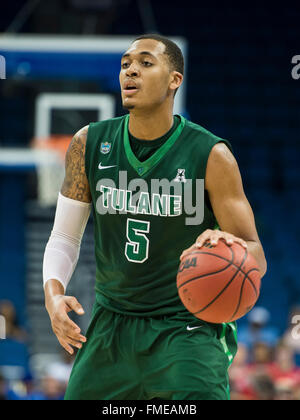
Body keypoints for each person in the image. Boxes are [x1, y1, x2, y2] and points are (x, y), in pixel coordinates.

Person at [43, 34, 267, 400]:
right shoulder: (89, 142)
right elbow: (65, 237)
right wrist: (53, 295)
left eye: (145, 63)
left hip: (187, 329)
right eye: (125, 64)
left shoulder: (211, 154)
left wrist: (229, 246)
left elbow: (256, 253)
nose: (130, 70)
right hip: (110, 326)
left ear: (174, 79)